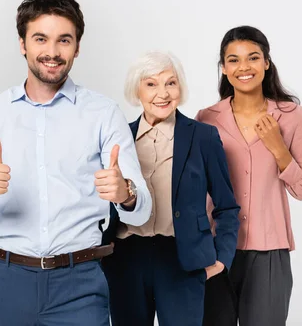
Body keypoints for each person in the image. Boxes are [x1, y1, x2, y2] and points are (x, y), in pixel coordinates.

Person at [0, 0, 151, 326]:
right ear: (22, 44)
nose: (53, 52)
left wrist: (125, 192)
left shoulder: (103, 114)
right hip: (7, 282)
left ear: (77, 47)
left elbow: (144, 208)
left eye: (64, 40)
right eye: (40, 39)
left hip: (80, 284)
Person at [101, 51, 239, 326]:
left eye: (170, 83)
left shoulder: (203, 137)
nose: (162, 93)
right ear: (136, 90)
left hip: (182, 258)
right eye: (151, 84)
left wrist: (222, 259)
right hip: (127, 257)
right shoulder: (118, 137)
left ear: (180, 87)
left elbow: (227, 206)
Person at [197, 25, 302, 326]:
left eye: (252, 57)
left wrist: (279, 149)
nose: (243, 67)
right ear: (224, 68)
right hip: (215, 248)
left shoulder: (290, 116)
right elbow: (197, 187)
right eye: (233, 60)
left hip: (269, 253)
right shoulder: (207, 119)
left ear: (266, 62)